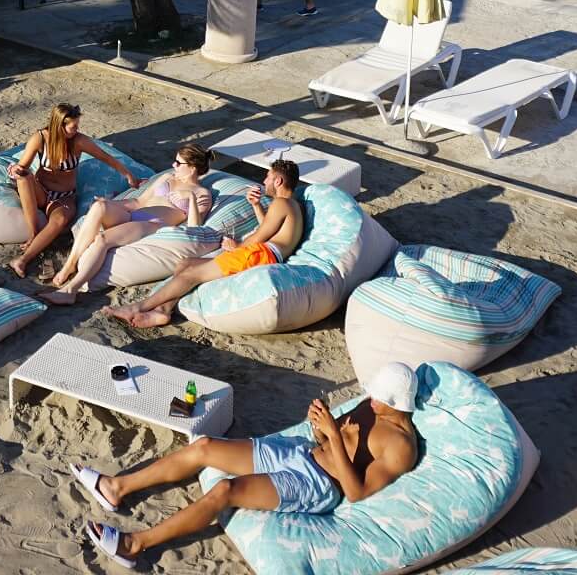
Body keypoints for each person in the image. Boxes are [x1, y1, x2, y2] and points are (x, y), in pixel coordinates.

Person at [76, 361, 422, 566]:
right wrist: (320, 426)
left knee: (226, 490)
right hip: (300, 452)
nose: (371, 400)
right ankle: (116, 487)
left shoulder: (400, 447)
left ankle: (135, 545)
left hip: (318, 484)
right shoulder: (371, 405)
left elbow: (356, 492)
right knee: (204, 446)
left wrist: (333, 434)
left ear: (398, 403)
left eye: (380, 398)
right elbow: (325, 439)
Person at [106, 159, 304, 329]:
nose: (264, 182)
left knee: (192, 275)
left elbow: (259, 237)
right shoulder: (292, 205)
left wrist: (237, 247)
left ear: (278, 181)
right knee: (187, 264)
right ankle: (163, 310)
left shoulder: (281, 203)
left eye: (268, 177)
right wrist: (256, 205)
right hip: (266, 253)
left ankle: (136, 307)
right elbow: (271, 228)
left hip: (260, 254)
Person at [39, 142, 214, 304]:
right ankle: (70, 265)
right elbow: (139, 201)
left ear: (192, 168)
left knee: (102, 239)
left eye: (178, 163)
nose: (173, 165)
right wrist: (111, 204)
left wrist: (190, 198)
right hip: (135, 214)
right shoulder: (167, 178)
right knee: (100, 206)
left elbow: (194, 228)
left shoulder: (201, 193)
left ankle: (70, 290)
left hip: (152, 224)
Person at [5, 103, 142, 279]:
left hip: (64, 196)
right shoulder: (40, 138)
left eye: (77, 125)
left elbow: (106, 158)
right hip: (40, 191)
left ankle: (22, 260)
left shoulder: (79, 141)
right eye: (73, 126)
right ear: (59, 126)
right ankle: (33, 233)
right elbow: (22, 166)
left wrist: (129, 176)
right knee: (23, 178)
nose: (77, 130)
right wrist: (16, 170)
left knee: (61, 219)